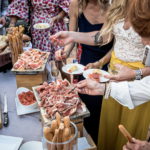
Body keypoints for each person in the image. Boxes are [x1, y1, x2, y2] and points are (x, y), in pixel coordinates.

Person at [50, 0, 150, 149]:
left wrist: (135, 73)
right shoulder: (118, 4)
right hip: (113, 75)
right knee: (110, 125)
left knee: (130, 134)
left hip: (141, 82)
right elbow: (103, 37)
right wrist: (72, 35)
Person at [55, 0, 113, 143]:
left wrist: (100, 63)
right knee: (87, 105)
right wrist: (65, 51)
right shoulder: (76, 4)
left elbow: (116, 44)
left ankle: (101, 141)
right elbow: (73, 36)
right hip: (86, 64)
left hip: (110, 63)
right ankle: (88, 141)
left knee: (104, 108)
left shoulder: (114, 5)